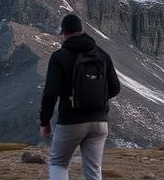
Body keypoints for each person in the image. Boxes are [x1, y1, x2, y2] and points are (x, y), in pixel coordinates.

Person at [40, 14, 121, 180]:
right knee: (93, 169)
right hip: (99, 121)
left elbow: (50, 93)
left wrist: (45, 121)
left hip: (71, 121)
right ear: (82, 30)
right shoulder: (102, 54)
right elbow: (115, 88)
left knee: (58, 163)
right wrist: (96, 100)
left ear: (63, 33)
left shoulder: (59, 56)